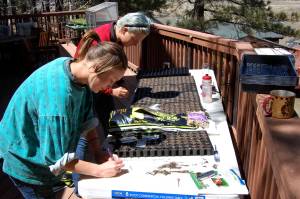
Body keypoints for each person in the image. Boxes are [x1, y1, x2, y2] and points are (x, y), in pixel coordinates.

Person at [0, 41, 127, 199]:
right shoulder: (59, 98)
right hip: (24, 159)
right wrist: (99, 170)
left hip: (39, 149)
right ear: (96, 68)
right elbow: (56, 159)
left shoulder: (76, 72)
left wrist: (98, 152)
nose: (111, 86)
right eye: (111, 80)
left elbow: (86, 121)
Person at [72, 12, 152, 196]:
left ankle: (110, 155)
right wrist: (111, 90)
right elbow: (91, 77)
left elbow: (101, 76)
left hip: (96, 90)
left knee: (107, 121)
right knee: (81, 136)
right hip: (86, 92)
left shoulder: (116, 37)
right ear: (124, 29)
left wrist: (112, 86)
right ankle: (79, 186)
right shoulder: (98, 41)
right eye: (136, 38)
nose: (136, 43)